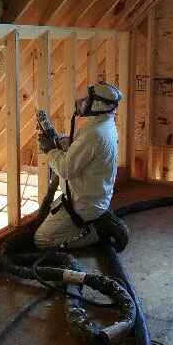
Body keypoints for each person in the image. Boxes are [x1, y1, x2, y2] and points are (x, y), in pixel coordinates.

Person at [34, 82, 123, 250]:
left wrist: (50, 149)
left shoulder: (95, 134)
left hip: (83, 204)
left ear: (99, 104)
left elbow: (65, 169)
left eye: (90, 98)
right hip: (91, 197)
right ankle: (94, 223)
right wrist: (58, 139)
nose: (83, 101)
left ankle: (97, 232)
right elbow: (80, 146)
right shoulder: (102, 125)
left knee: (41, 240)